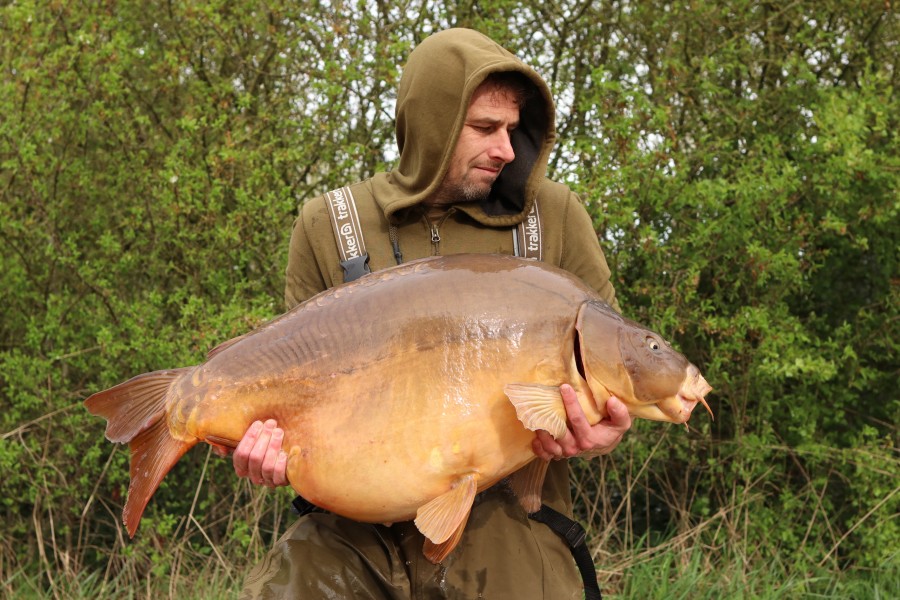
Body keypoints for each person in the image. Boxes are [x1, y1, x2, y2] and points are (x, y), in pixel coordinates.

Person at [235, 28, 632, 599]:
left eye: (514, 130)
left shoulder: (556, 218)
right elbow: (298, 389)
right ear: (432, 126)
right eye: (484, 129)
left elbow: (619, 370)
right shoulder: (329, 224)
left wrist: (606, 432)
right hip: (353, 530)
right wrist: (270, 452)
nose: (506, 150)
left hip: (509, 525)